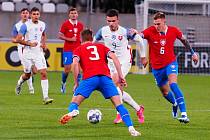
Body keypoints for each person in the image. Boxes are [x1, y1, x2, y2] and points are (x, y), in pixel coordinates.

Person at [59, 29, 140, 137]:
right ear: (92, 38)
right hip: (105, 78)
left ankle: (74, 111)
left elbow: (74, 64)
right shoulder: (101, 47)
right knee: (119, 105)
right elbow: (115, 58)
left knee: (74, 103)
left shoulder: (79, 49)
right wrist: (121, 76)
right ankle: (132, 129)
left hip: (89, 78)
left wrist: (76, 83)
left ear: (80, 39)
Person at [140, 12, 199, 123]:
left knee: (173, 84)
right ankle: (175, 103)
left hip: (170, 63)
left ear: (164, 21)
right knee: (165, 93)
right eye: (155, 24)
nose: (156, 26)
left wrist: (193, 53)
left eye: (158, 24)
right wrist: (134, 34)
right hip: (157, 68)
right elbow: (139, 36)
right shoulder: (150, 31)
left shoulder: (174, 30)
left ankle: (184, 114)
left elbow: (184, 41)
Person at [94, 9, 146, 124]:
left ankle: (120, 114)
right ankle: (138, 109)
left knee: (114, 85)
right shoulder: (103, 31)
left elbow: (140, 40)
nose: (111, 23)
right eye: (109, 21)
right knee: (118, 91)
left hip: (124, 61)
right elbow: (93, 43)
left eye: (113, 21)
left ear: (118, 20)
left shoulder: (125, 32)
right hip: (111, 63)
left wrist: (143, 57)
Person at [14, 7, 53, 105]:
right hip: (27, 53)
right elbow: (18, 39)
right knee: (27, 75)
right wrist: (29, 44)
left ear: (39, 15)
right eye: (34, 14)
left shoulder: (43, 24)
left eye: (37, 14)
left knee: (43, 73)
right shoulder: (25, 26)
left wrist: (44, 43)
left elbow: (43, 34)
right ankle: (19, 83)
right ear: (31, 15)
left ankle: (46, 97)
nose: (36, 16)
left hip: (38, 53)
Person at [58, 7, 84, 94]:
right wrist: (69, 39)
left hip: (78, 50)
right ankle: (63, 83)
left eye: (75, 13)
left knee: (79, 69)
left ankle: (76, 86)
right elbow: (60, 35)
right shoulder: (65, 24)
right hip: (68, 49)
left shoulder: (80, 25)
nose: (73, 15)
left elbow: (82, 36)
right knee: (67, 69)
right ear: (69, 15)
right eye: (72, 13)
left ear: (77, 14)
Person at [11, 8, 35, 94]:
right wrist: (18, 40)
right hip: (22, 49)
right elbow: (13, 39)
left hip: (33, 48)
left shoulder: (32, 24)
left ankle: (20, 82)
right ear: (21, 15)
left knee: (34, 71)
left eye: (27, 13)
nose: (25, 14)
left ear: (29, 14)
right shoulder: (17, 25)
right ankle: (31, 89)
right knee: (27, 69)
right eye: (23, 13)